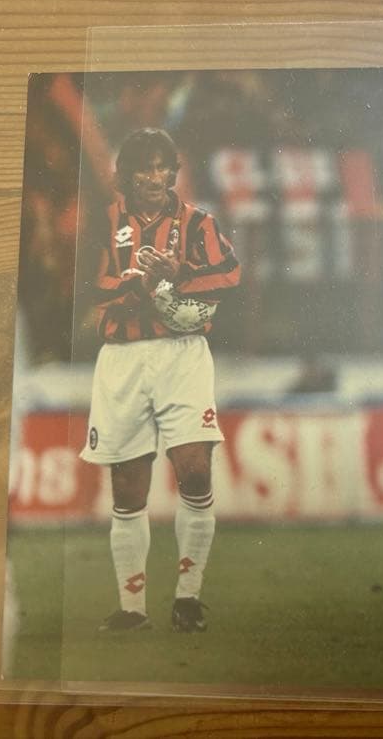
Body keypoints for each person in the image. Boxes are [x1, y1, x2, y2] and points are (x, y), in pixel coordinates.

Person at [79, 128, 241, 633]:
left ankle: (188, 599)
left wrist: (179, 273)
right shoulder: (104, 220)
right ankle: (132, 609)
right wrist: (137, 287)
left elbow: (230, 273)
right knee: (128, 487)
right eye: (144, 167)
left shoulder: (199, 222)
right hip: (123, 359)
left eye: (162, 166)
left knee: (194, 470)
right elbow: (90, 284)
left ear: (173, 172)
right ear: (126, 174)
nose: (154, 176)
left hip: (182, 355)